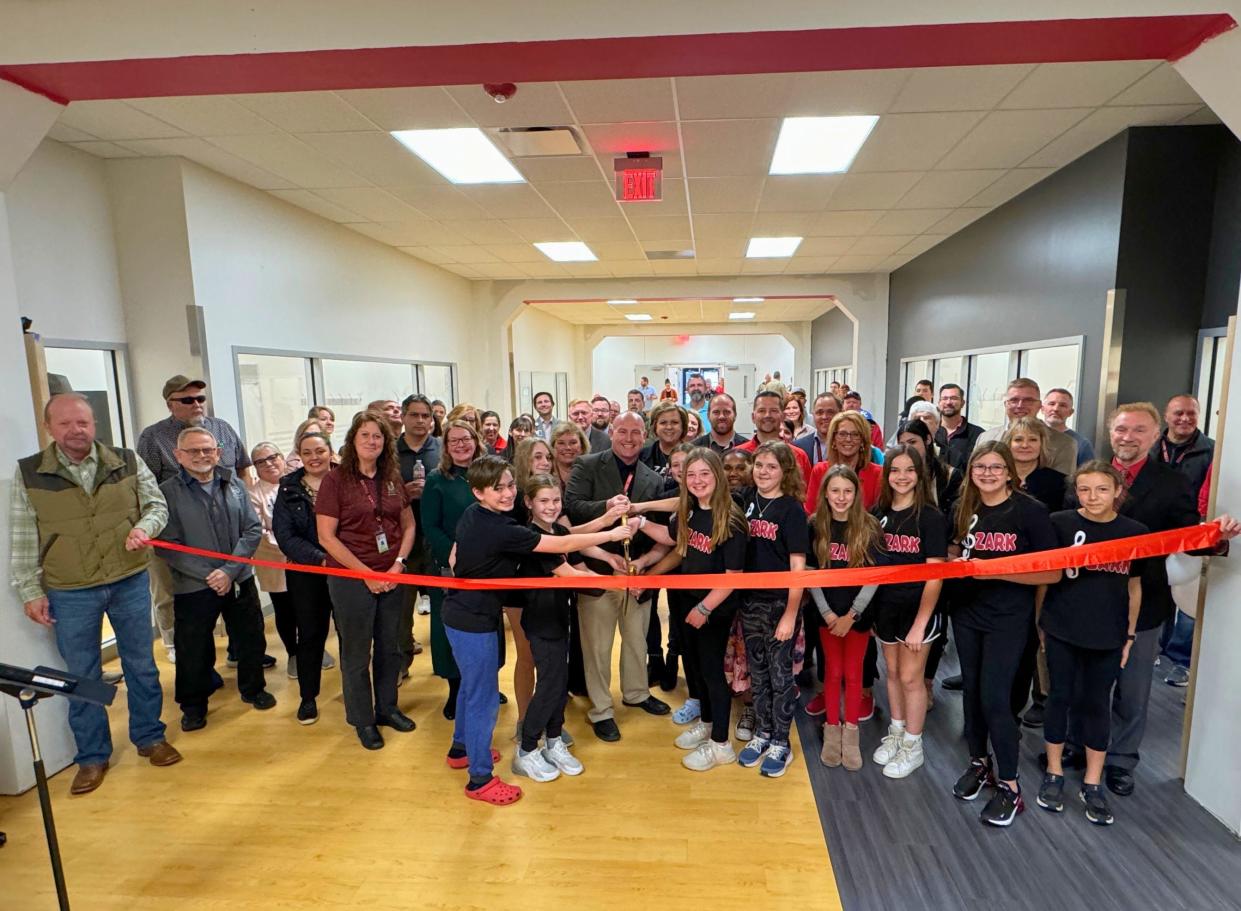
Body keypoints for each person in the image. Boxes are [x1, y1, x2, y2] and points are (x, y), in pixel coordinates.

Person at [12, 393, 180, 795]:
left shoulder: (124, 460)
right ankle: (92, 757)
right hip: (70, 590)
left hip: (128, 579)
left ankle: (149, 737)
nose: (76, 430)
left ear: (94, 425)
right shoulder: (29, 473)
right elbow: (22, 536)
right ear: (49, 427)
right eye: (66, 423)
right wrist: (30, 589)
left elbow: (156, 505)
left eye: (83, 423)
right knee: (81, 675)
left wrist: (146, 527)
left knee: (141, 664)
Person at [442, 457, 635, 803]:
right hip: (471, 619)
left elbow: (559, 535)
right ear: (477, 492)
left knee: (473, 690)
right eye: (497, 488)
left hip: (472, 613)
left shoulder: (484, 516)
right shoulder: (497, 526)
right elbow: (558, 546)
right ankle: (480, 780)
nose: (506, 493)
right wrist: (611, 534)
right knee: (481, 697)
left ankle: (461, 750)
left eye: (509, 486)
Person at [1078, 403, 1237, 796]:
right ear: (1110, 432)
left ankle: (1120, 760)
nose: (1127, 437)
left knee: (1132, 691)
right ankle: (1081, 749)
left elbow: (1185, 535)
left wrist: (1214, 539)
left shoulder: (1171, 481)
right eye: (1120, 429)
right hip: (1087, 598)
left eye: (1137, 430)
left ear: (1154, 436)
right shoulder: (1089, 477)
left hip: (1144, 601)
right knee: (1087, 685)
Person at [949, 442, 1060, 827]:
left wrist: (994, 570)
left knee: (996, 699)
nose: (988, 473)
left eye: (996, 467)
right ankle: (980, 764)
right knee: (973, 696)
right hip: (966, 614)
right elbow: (955, 552)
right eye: (980, 467)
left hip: (1009, 618)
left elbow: (1051, 572)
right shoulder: (964, 507)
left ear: (1010, 471)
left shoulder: (1030, 511)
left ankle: (1011, 787)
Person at [1037, 461, 1145, 826]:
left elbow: (1134, 587)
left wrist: (1129, 635)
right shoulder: (1061, 523)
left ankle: (1092, 781)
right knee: (1059, 697)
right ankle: (1053, 772)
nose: (1092, 496)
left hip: (1108, 634)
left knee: (1096, 703)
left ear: (1118, 491)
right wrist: (1041, 623)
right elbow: (1046, 576)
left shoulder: (1134, 532)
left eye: (1101, 489)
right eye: (1084, 489)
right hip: (1062, 628)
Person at [157, 426, 275, 731]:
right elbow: (167, 545)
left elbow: (251, 530)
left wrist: (229, 571)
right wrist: (211, 573)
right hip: (194, 584)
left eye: (207, 450)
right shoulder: (167, 492)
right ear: (178, 455)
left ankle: (254, 689)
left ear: (218, 453)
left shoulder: (233, 484)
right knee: (193, 648)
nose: (201, 456)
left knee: (250, 637)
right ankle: (194, 706)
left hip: (238, 579)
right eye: (193, 451)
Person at [564, 411, 672, 741]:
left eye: (636, 433)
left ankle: (637, 693)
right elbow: (572, 509)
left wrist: (642, 565)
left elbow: (658, 529)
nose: (629, 438)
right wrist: (606, 506)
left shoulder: (652, 478)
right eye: (622, 431)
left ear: (645, 436)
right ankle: (601, 709)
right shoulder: (587, 465)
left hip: (635, 573)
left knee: (637, 640)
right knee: (596, 647)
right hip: (596, 572)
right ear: (611, 432)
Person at [315, 411, 415, 751]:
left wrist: (398, 564)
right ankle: (363, 719)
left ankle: (387, 707)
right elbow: (327, 537)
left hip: (391, 574)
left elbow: (409, 524)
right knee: (357, 652)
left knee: (390, 646)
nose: (372, 441)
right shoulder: (335, 480)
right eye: (365, 436)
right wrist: (366, 574)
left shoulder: (391, 477)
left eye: (378, 436)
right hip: (351, 578)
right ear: (352, 441)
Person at [137, 374, 254, 665]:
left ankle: (238, 651)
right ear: (170, 404)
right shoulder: (153, 437)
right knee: (170, 594)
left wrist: (244, 506)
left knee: (235, 589)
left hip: (226, 526)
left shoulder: (222, 428)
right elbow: (145, 487)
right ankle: (175, 643)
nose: (197, 405)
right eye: (187, 400)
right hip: (179, 532)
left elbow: (242, 469)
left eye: (200, 398)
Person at [645, 449, 748, 771]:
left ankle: (721, 744)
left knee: (713, 673)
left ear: (717, 475)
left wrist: (704, 608)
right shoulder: (689, 511)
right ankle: (706, 721)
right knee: (697, 670)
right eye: (691, 475)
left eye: (704, 473)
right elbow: (676, 543)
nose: (698, 481)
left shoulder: (731, 518)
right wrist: (638, 522)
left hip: (713, 607)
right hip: (688, 600)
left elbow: (734, 578)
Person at [870, 446, 947, 779]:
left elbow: (935, 574)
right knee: (891, 672)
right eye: (895, 470)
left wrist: (920, 624)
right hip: (887, 607)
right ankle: (897, 732)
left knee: (911, 678)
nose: (901, 477)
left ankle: (913, 746)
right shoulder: (879, 513)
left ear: (920, 474)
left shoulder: (930, 517)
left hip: (919, 609)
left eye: (909, 470)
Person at [734, 442, 807, 778]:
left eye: (771, 467)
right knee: (758, 674)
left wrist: (791, 613)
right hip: (749, 603)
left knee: (781, 677)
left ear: (785, 472)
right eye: (759, 465)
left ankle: (782, 741)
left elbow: (798, 567)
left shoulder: (792, 510)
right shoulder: (746, 499)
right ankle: (763, 732)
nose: (763, 472)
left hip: (780, 604)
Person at [807, 465, 881, 773]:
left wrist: (852, 615)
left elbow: (874, 576)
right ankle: (831, 731)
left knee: (854, 674)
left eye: (847, 491)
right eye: (835, 490)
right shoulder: (814, 525)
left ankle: (851, 734)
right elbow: (810, 574)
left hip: (857, 616)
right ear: (825, 493)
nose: (841, 497)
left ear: (857, 494)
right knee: (832, 673)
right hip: (826, 614)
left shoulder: (870, 526)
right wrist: (827, 613)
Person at [272, 431, 339, 725]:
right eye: (307, 452)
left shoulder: (346, 481)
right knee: (311, 634)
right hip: (307, 573)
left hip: (346, 569)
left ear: (330, 452)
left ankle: (357, 695)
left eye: (320, 451)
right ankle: (308, 697)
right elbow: (285, 536)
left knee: (351, 635)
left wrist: (340, 559)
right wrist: (321, 559)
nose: (314, 458)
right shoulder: (288, 489)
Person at [422, 419, 485, 720]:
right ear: (445, 447)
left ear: (476, 440)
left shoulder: (489, 473)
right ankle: (456, 689)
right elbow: (430, 526)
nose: (461, 445)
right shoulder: (437, 479)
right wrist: (452, 554)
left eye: (466, 439)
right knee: (450, 631)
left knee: (486, 629)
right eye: (453, 441)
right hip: (450, 569)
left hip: (487, 567)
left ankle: (484, 684)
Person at [1152, 393, 1215, 686]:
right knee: (1158, 588)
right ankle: (1155, 646)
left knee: (1188, 596)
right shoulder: (1151, 445)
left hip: (1192, 532)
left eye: (1191, 413)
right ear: (1167, 416)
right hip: (1153, 531)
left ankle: (1180, 659)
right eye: (1178, 413)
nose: (1185, 419)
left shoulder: (1212, 451)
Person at [246, 443, 302, 678]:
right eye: (261, 461)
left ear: (282, 458)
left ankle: (311, 650)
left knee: (308, 607)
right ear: (255, 468)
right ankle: (294, 654)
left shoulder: (299, 483)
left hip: (305, 557)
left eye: (273, 457)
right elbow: (261, 529)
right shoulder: (253, 494)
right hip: (274, 558)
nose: (269, 464)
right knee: (285, 608)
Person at [397, 395, 441, 663]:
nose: (421, 420)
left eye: (426, 415)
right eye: (414, 415)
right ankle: (401, 662)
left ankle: (446, 664)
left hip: (436, 538)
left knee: (443, 605)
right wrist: (402, 493)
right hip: (401, 541)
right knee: (401, 609)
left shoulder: (442, 449)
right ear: (403, 417)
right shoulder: (388, 452)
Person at [974, 378, 1075, 475]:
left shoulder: (1064, 444)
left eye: (1028, 400)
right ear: (1006, 404)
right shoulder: (985, 437)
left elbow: (1062, 488)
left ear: (1040, 405)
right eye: (1014, 400)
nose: (1020, 405)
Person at [804, 411, 883, 513]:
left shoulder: (877, 474)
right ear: (833, 440)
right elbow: (811, 513)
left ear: (863, 441)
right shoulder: (820, 471)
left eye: (855, 434)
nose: (848, 439)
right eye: (842, 434)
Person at [736, 390, 812, 484]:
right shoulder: (737, 455)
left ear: (783, 416)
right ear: (753, 417)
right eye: (762, 411)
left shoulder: (798, 456)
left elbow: (807, 496)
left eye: (774, 411)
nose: (767, 415)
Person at [1004, 417, 1067, 512]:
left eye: (1033, 440)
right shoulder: (995, 478)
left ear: (1042, 444)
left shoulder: (1060, 482)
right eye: (1018, 440)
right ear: (1009, 444)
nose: (1025, 445)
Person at [935, 383, 984, 472]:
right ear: (939, 403)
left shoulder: (978, 434)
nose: (948, 402)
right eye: (944, 398)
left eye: (954, 398)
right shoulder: (930, 432)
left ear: (963, 403)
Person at [1041, 388, 1095, 466]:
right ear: (1042, 409)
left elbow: (1089, 475)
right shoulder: (1029, 437)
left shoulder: (1081, 444)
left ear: (1070, 412)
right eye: (1052, 404)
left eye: (1063, 405)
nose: (1056, 409)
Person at [640, 401, 688, 476]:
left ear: (683, 426)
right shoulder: (641, 456)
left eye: (674, 422)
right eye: (663, 423)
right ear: (655, 426)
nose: (669, 427)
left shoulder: (695, 456)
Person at [796, 392, 842, 466]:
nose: (824, 417)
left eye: (830, 412)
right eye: (819, 412)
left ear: (840, 413)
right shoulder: (799, 447)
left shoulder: (850, 445)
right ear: (813, 415)